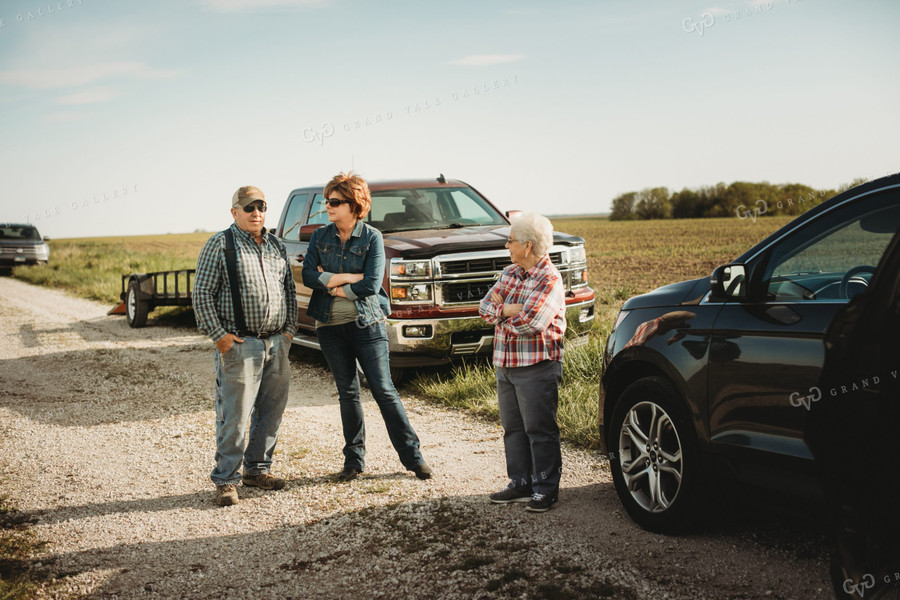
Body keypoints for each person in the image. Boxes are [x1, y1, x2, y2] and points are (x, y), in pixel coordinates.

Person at [301, 172, 433, 482]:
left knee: (384, 390)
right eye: (327, 201)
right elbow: (308, 275)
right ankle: (353, 462)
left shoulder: (372, 237)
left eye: (334, 202)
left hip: (367, 323)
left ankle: (413, 459)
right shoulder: (321, 236)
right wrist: (348, 279)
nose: (327, 207)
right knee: (348, 394)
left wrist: (331, 282)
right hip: (329, 325)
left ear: (355, 204)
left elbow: (372, 284)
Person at [193, 185, 297, 507]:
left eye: (261, 207)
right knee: (234, 416)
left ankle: (257, 470)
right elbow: (201, 294)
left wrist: (288, 333)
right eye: (249, 208)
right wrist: (220, 337)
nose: (256, 213)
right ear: (234, 212)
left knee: (270, 413)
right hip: (240, 345)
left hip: (276, 344)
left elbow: (290, 292)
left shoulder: (276, 245)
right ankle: (226, 480)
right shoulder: (220, 245)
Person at [479, 212, 566, 513]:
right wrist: (508, 310)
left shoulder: (550, 279)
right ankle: (520, 484)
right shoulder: (509, 273)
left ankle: (545, 488)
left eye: (511, 241)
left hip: (537, 365)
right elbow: (484, 307)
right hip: (506, 364)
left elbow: (533, 322)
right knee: (513, 429)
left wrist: (502, 314)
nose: (507, 246)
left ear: (527, 246)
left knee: (539, 430)